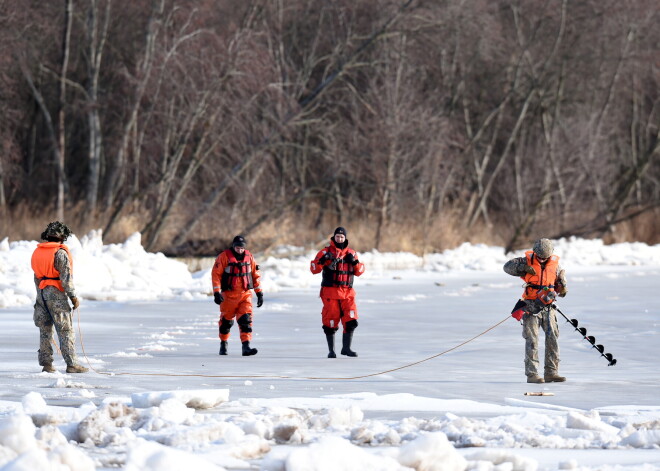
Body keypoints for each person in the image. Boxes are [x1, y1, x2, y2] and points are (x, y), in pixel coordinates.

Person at [504, 238, 568, 384]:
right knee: (531, 339)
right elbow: (507, 267)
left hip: (549, 306)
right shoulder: (525, 261)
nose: (543, 259)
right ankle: (532, 374)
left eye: (545, 257)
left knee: (553, 338)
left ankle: (551, 372)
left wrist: (563, 288)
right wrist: (522, 268)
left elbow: (561, 290)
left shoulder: (556, 265)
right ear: (535, 253)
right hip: (530, 306)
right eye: (540, 257)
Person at [30, 221, 88, 374]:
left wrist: (40, 293)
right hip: (56, 296)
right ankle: (72, 364)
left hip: (41, 295)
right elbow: (66, 278)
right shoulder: (60, 253)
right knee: (65, 330)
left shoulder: (37, 252)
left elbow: (36, 276)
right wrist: (73, 297)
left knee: (45, 331)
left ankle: (46, 364)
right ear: (62, 238)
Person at [310, 227, 365, 358]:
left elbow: (360, 271)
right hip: (330, 293)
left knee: (351, 320)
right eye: (337, 237)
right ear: (333, 238)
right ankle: (331, 350)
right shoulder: (325, 252)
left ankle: (346, 348)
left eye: (341, 237)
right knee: (331, 321)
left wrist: (355, 262)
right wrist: (323, 260)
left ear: (345, 238)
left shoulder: (352, 253)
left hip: (348, 293)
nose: (339, 239)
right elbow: (313, 268)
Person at [211, 235, 263, 356]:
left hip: (245, 295)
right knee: (226, 323)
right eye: (237, 247)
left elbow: (255, 275)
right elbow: (216, 275)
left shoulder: (249, 257)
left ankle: (246, 346)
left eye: (241, 248)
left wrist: (259, 293)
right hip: (228, 296)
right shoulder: (224, 257)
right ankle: (223, 343)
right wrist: (216, 292)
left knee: (246, 320)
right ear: (233, 246)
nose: (239, 250)